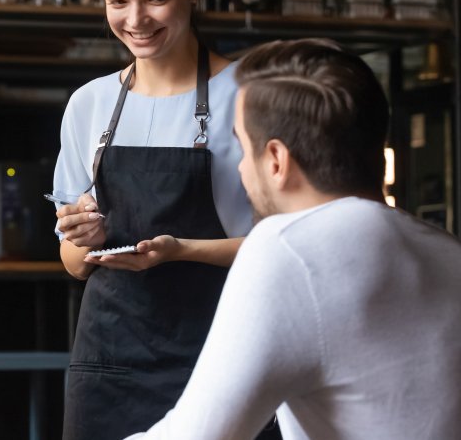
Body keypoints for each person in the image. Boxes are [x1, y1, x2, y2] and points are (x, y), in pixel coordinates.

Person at [127, 38, 461, 439]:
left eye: (241, 148)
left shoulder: (287, 248)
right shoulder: (447, 250)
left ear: (276, 160)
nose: (241, 171)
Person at [53, 0, 281, 439]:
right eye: (117, 1)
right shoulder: (88, 104)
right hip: (109, 364)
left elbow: (288, 243)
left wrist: (182, 250)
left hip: (225, 355)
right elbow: (71, 263)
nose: (136, 19)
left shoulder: (251, 92)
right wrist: (82, 240)